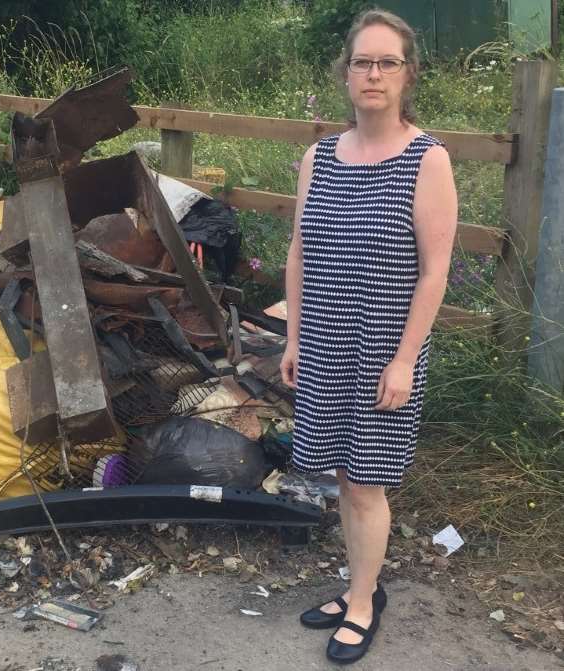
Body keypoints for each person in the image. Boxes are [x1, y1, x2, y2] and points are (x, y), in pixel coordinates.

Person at [279, 9, 458, 665]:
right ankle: (360, 583)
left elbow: (436, 272)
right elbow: (298, 252)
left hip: (385, 348)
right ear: (346, 73)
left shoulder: (426, 158)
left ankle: (361, 602)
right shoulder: (319, 156)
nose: (373, 73)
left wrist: (407, 358)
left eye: (386, 62)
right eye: (362, 61)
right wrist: (294, 338)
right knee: (340, 473)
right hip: (324, 340)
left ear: (408, 74)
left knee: (366, 482)